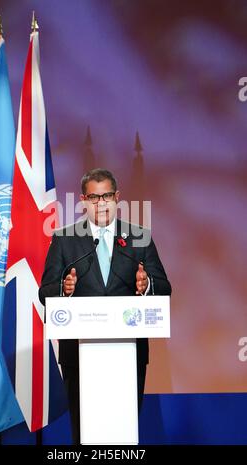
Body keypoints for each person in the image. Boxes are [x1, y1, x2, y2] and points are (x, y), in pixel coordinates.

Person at [39, 168, 171, 444]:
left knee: (124, 428)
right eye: (94, 197)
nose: (101, 203)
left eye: (107, 196)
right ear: (83, 200)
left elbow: (164, 285)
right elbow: (45, 291)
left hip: (129, 350)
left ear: (117, 197)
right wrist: (64, 289)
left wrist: (145, 285)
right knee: (84, 429)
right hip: (78, 353)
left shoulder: (138, 236)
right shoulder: (65, 238)